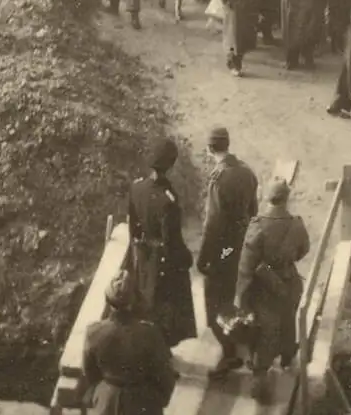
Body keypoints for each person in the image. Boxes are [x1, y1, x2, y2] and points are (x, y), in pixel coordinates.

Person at [234, 178, 310, 403]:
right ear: (287, 199)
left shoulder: (257, 225)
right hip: (289, 283)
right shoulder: (296, 223)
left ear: (266, 198)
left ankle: (260, 377)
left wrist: (242, 299)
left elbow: (246, 267)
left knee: (265, 329)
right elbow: (303, 250)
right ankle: (287, 357)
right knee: (288, 321)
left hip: (263, 289)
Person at [199, 127, 259, 380]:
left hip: (224, 247)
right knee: (241, 288)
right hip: (243, 244)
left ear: (210, 149)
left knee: (215, 295)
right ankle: (248, 336)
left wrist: (204, 258)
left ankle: (229, 351)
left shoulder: (218, 178)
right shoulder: (247, 171)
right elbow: (254, 209)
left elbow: (212, 225)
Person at [126, 138, 197, 348]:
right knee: (166, 311)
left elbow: (133, 225)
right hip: (162, 261)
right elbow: (172, 241)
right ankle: (161, 357)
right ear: (171, 165)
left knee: (146, 305)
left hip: (143, 257)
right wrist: (186, 259)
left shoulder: (136, 188)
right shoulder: (169, 200)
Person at [81, 271, 178, 415]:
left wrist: (101, 393)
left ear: (107, 301)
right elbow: (164, 375)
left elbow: (90, 372)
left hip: (106, 402)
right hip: (143, 402)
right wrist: (158, 401)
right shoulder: (150, 333)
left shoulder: (94, 332)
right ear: (134, 302)